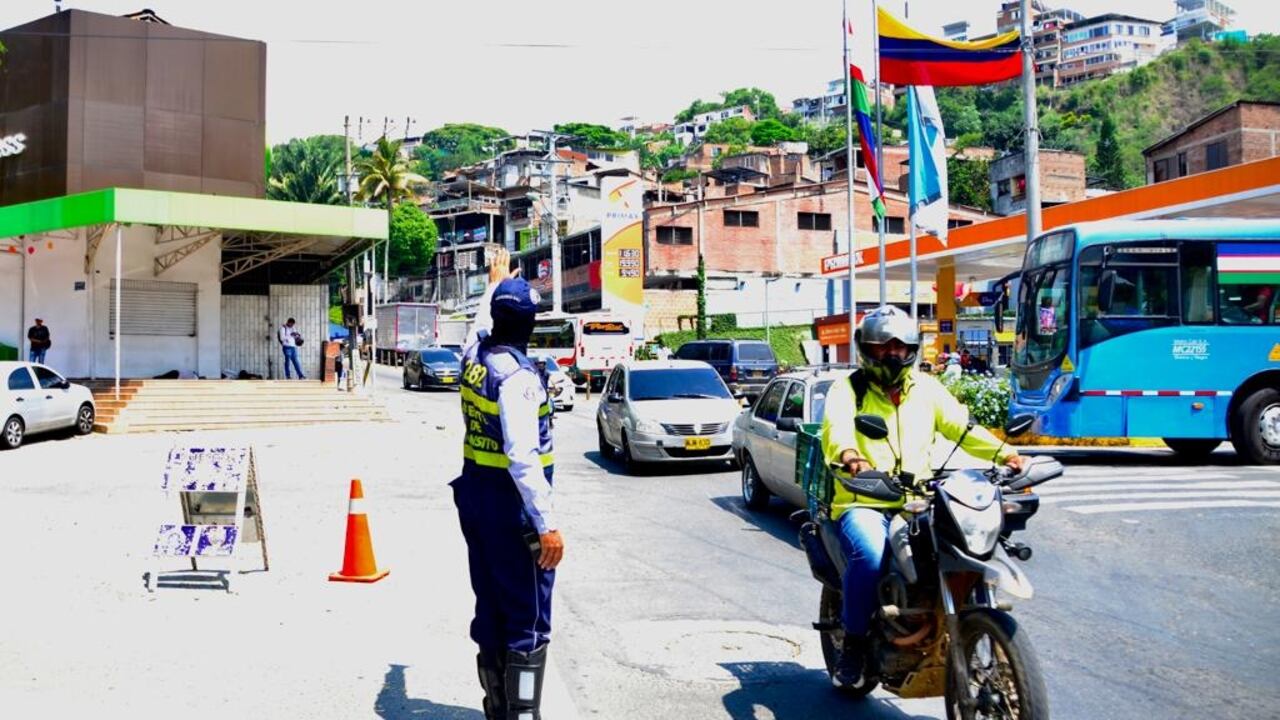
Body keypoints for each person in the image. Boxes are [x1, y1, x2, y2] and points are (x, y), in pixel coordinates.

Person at [820, 305, 1024, 689]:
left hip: (917, 500)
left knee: (962, 544)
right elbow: (837, 431)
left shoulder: (927, 389)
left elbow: (962, 428)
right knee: (869, 557)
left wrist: (1007, 455)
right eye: (883, 346)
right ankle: (854, 644)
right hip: (864, 500)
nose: (892, 354)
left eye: (900, 346)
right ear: (866, 349)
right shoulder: (848, 390)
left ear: (912, 349)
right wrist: (852, 458)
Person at [453, 255, 564, 720]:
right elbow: (523, 458)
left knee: (491, 608)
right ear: (531, 325)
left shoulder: (475, 357)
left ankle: (497, 709)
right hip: (512, 509)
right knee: (527, 618)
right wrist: (547, 525)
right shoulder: (518, 378)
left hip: (476, 497)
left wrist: (494, 286)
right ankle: (521, 714)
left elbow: (476, 328)